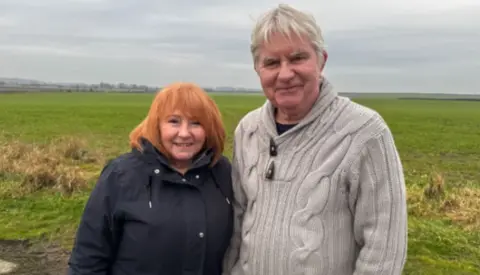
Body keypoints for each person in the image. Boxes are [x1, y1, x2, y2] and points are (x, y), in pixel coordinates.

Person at [222, 4, 408, 275]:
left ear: (321, 60)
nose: (285, 74)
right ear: (257, 70)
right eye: (272, 63)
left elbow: (384, 249)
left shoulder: (364, 132)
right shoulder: (248, 130)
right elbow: (238, 224)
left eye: (297, 58)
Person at [67, 82, 234, 275]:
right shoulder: (121, 175)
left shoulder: (221, 172)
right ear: (157, 126)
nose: (184, 133)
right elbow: (88, 260)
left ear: (209, 129)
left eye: (196, 123)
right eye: (174, 121)